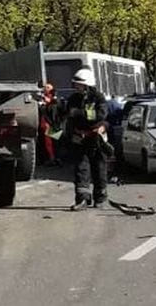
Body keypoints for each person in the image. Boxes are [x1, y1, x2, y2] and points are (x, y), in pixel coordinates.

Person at [66, 68, 112, 211]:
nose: (76, 87)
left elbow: (100, 115)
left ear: (87, 85)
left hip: (96, 138)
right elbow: (69, 116)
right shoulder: (73, 99)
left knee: (100, 169)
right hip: (80, 138)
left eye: (79, 84)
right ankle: (82, 199)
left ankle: (100, 198)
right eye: (76, 84)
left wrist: (80, 113)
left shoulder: (98, 97)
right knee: (81, 170)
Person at [38, 83, 63, 165]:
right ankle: (51, 158)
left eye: (48, 87)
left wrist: (47, 103)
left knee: (53, 142)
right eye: (45, 87)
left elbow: (56, 109)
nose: (46, 89)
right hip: (47, 124)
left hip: (52, 124)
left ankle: (54, 158)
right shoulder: (44, 100)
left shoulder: (55, 100)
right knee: (48, 143)